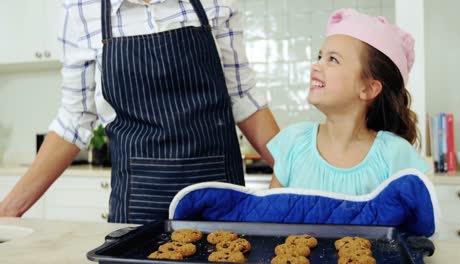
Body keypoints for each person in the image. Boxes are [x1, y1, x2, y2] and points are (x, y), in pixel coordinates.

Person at [0, 0, 279, 224]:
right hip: (137, 207)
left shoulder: (214, 3)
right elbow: (74, 121)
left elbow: (244, 98)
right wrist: (8, 211)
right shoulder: (81, 9)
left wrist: (302, 171)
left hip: (220, 200)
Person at [267, 9, 429, 194]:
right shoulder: (293, 142)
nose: (316, 65)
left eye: (333, 59)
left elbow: (412, 222)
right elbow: (270, 219)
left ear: (368, 89)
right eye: (320, 57)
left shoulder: (396, 156)